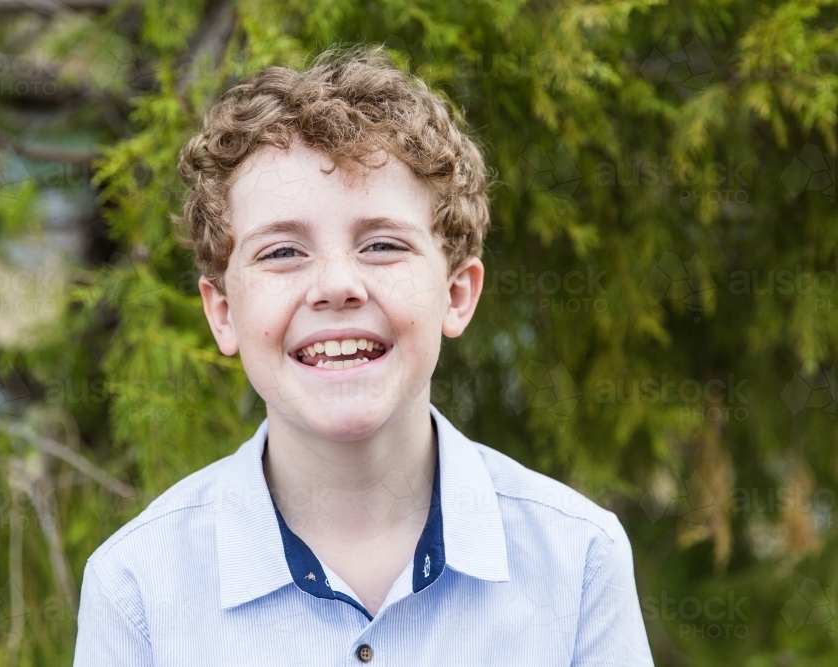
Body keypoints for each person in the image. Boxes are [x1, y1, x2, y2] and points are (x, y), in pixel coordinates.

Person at [73, 44, 655, 666]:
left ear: (457, 294)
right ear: (222, 313)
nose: (336, 285)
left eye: (381, 244)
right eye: (282, 253)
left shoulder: (578, 560)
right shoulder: (137, 586)